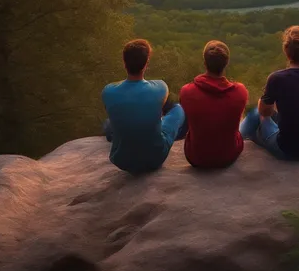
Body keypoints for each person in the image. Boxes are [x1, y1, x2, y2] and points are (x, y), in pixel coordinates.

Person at [240, 26, 299, 161]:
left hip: (286, 150)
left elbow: (264, 112)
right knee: (275, 116)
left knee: (255, 114)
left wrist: (263, 104)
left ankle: (235, 139)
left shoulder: (277, 78)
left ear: (287, 52)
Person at [102, 39, 185, 174]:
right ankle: (178, 135)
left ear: (124, 63)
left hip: (122, 160)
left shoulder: (108, 91)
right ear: (146, 63)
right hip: (155, 158)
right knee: (178, 109)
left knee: (110, 122)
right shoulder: (161, 87)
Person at [179, 40, 248, 168]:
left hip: (196, 158)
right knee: (253, 115)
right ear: (226, 63)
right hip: (229, 155)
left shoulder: (187, 92)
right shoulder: (240, 92)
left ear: (205, 63)